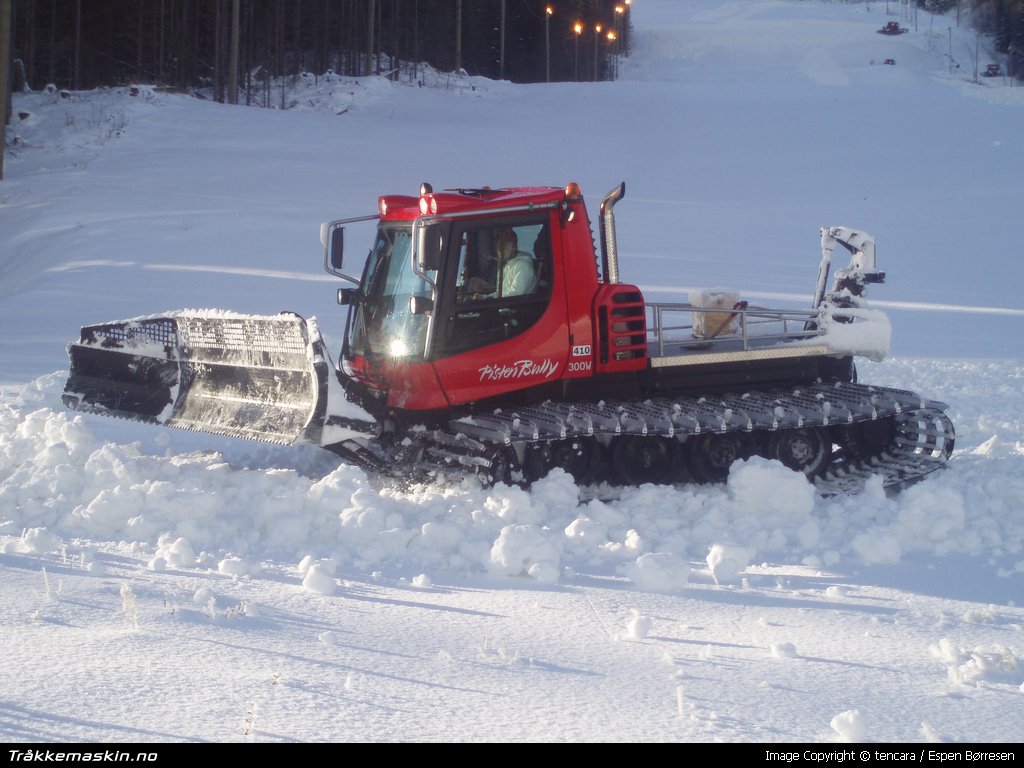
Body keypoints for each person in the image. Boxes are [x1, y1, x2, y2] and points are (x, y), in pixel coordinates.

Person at [466, 228, 537, 299]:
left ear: (514, 247)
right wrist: (484, 297)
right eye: (498, 245)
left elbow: (514, 295)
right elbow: (500, 294)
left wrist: (491, 300)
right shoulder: (505, 265)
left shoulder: (522, 266)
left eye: (505, 245)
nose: (501, 249)